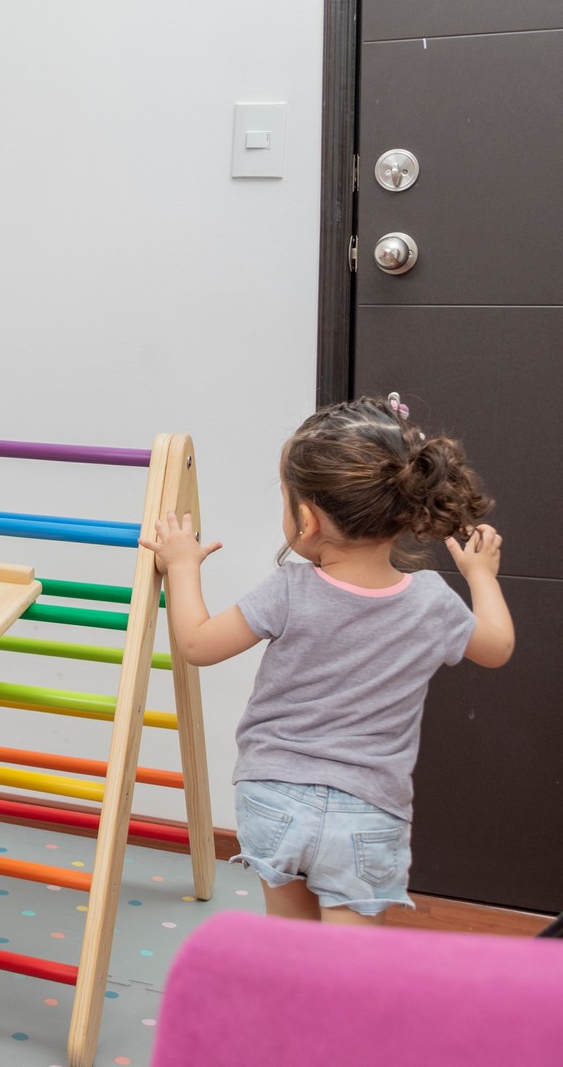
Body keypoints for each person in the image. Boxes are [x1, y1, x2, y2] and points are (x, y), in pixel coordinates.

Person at [140, 394, 515, 925]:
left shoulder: (289, 590)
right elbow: (497, 648)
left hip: (272, 796)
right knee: (343, 972)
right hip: (367, 811)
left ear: (305, 519)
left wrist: (181, 565)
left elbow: (197, 644)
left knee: (291, 950)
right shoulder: (431, 602)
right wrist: (481, 577)